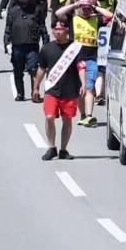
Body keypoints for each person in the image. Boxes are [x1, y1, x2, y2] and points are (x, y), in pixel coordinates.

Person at [55, 0, 113, 127]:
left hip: (91, 59)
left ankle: (89, 115)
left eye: (88, 9)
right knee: (78, 91)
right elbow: (58, 13)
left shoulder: (96, 19)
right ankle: (82, 115)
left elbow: (111, 16)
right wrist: (75, 4)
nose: (86, 11)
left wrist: (94, 7)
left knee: (89, 88)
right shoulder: (73, 19)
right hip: (75, 59)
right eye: (84, 8)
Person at [33, 21, 86, 160]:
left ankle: (63, 149)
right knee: (49, 117)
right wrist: (36, 87)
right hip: (52, 89)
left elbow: (81, 66)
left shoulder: (75, 48)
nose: (57, 31)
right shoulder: (46, 49)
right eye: (55, 29)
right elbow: (41, 69)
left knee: (67, 120)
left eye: (60, 29)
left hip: (70, 89)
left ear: (67, 30)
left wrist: (83, 83)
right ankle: (51, 147)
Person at [4, 0, 49, 102]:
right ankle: (20, 93)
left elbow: (42, 27)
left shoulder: (36, 9)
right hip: (17, 47)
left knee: (34, 70)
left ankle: (35, 93)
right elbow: (8, 28)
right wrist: (7, 43)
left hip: (32, 46)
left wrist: (46, 43)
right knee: (18, 70)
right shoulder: (13, 11)